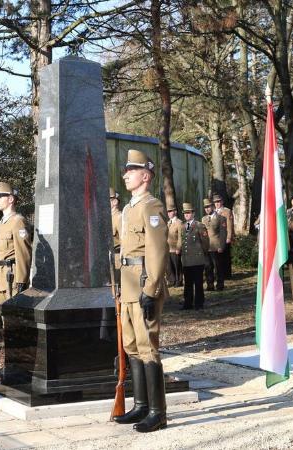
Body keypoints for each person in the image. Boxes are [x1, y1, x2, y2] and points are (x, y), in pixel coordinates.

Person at [110, 149, 169, 433]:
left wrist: (151, 288)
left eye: (131, 171)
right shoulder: (129, 209)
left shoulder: (151, 206)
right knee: (131, 345)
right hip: (128, 285)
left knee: (148, 347)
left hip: (144, 283)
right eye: (126, 171)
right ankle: (141, 405)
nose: (125, 175)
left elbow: (157, 250)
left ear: (145, 176)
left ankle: (158, 412)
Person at [0, 182, 32, 304]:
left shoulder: (18, 222)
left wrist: (22, 281)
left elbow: (24, 253)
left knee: (13, 314)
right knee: (2, 313)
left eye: (0, 197)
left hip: (12, 279)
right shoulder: (0, 225)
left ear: (10, 199)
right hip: (1, 279)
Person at [180, 202, 209, 310]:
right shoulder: (183, 226)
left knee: (198, 283)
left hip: (197, 259)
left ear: (193, 213)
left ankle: (199, 303)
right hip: (186, 260)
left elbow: (205, 242)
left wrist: (202, 253)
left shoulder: (199, 226)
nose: (186, 215)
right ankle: (187, 303)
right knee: (187, 283)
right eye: (185, 213)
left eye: (188, 212)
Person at [202, 198, 226, 291]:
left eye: (208, 207)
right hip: (206, 247)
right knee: (208, 267)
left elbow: (223, 233)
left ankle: (220, 285)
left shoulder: (221, 218)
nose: (207, 209)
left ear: (212, 206)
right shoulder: (203, 219)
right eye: (205, 207)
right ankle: (210, 285)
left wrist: (221, 246)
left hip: (216, 247)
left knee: (218, 267)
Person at [212, 194, 234, 279]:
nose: (217, 203)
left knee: (226, 256)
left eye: (218, 201)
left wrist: (229, 237)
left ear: (222, 202)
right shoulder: (213, 212)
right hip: (216, 238)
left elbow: (229, 225)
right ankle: (219, 273)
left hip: (224, 236)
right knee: (217, 257)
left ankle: (227, 274)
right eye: (215, 202)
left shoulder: (227, 211)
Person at [166, 204, 184, 287]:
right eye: (168, 212)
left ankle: (179, 281)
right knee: (170, 266)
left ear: (175, 212)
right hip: (168, 248)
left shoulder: (179, 223)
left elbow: (181, 237)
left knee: (177, 266)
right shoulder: (168, 223)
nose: (169, 213)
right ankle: (172, 281)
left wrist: (178, 248)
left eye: (171, 211)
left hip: (175, 248)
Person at [110, 187, 122, 270]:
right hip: (109, 258)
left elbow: (124, 241)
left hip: (117, 258)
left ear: (115, 201)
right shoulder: (108, 218)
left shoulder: (119, 217)